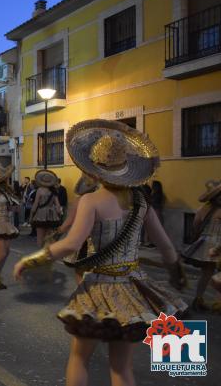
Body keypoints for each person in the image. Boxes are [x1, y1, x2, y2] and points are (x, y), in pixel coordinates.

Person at [13, 119, 187, 386]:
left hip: (97, 290)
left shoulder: (90, 201)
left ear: (94, 171)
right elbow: (165, 247)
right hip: (132, 291)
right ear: (127, 169)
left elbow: (71, 245)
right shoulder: (143, 204)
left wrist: (32, 259)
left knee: (79, 358)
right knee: (121, 368)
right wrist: (176, 272)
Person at [182, 180, 221, 312]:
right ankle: (218, 304)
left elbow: (195, 227)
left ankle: (198, 299)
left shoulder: (202, 209)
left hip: (205, 244)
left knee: (206, 274)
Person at [30, 170, 62, 247]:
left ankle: (41, 254)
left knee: (40, 238)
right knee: (49, 238)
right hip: (52, 215)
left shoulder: (40, 190)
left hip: (40, 214)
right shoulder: (54, 191)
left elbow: (35, 204)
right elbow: (58, 206)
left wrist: (31, 216)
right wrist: (59, 215)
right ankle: (48, 254)